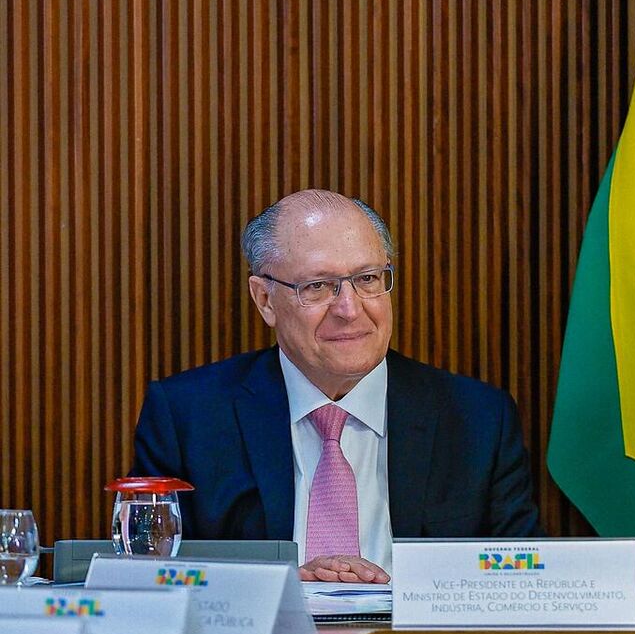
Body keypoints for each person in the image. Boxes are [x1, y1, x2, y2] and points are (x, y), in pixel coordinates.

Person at [132, 190, 540, 583]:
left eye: (366, 279)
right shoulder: (188, 417)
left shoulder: (478, 420)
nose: (349, 309)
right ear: (265, 301)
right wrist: (279, 586)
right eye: (318, 286)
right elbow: (149, 577)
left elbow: (520, 585)